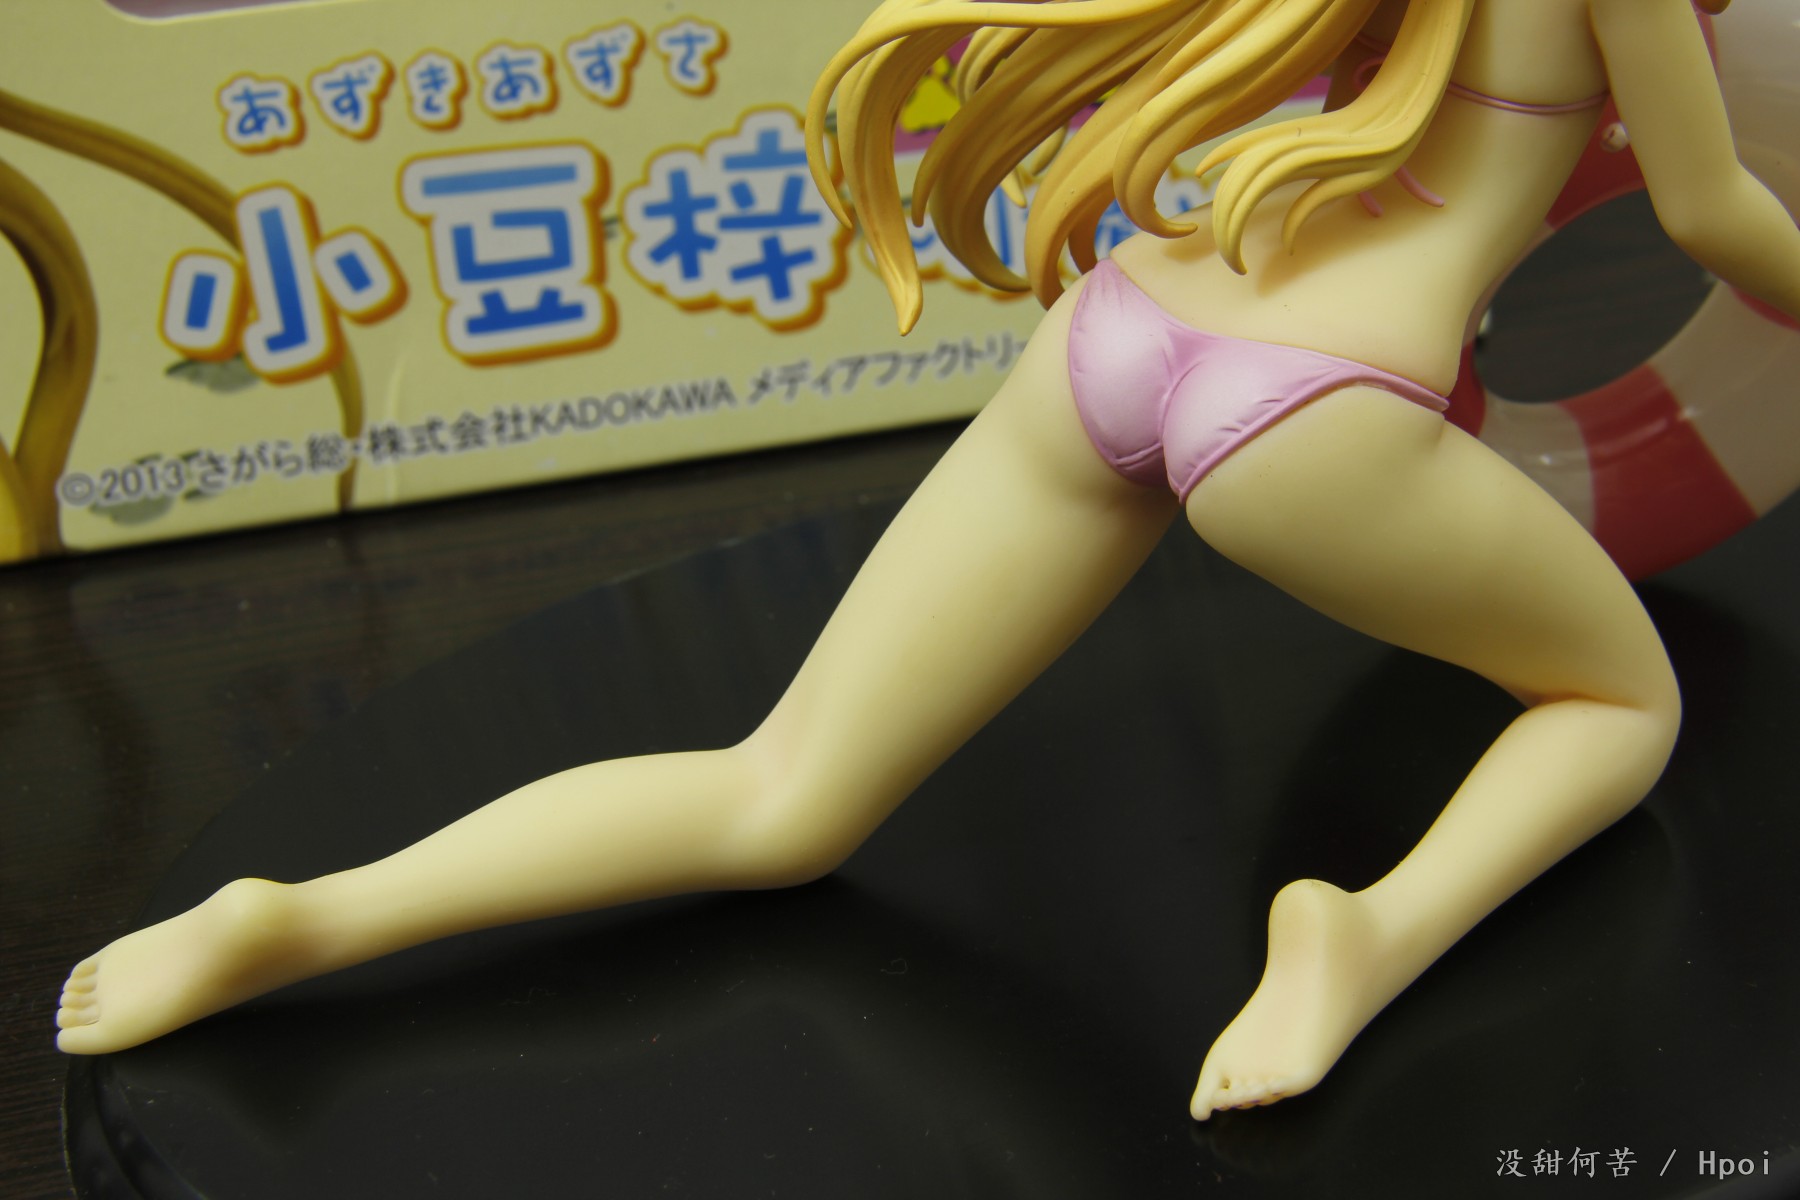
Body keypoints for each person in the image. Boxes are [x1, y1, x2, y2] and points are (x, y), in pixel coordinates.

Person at [56, 0, 1800, 1121]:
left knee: (781, 794)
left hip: (1128, 328)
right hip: (1318, 416)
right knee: (1615, 704)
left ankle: (303, 918)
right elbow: (1708, 207)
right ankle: (1363, 936)